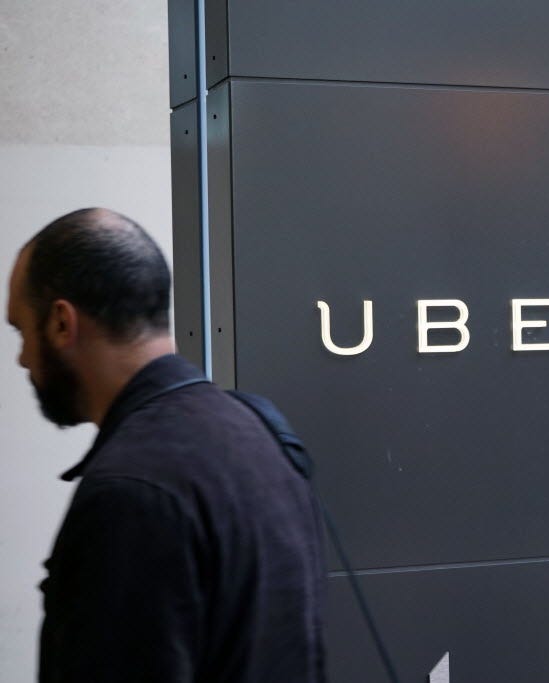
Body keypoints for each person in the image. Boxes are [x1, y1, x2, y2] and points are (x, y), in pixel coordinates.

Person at [6, 208, 327, 682]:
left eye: (20, 330)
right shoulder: (260, 435)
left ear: (60, 323)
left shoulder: (130, 492)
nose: (21, 358)